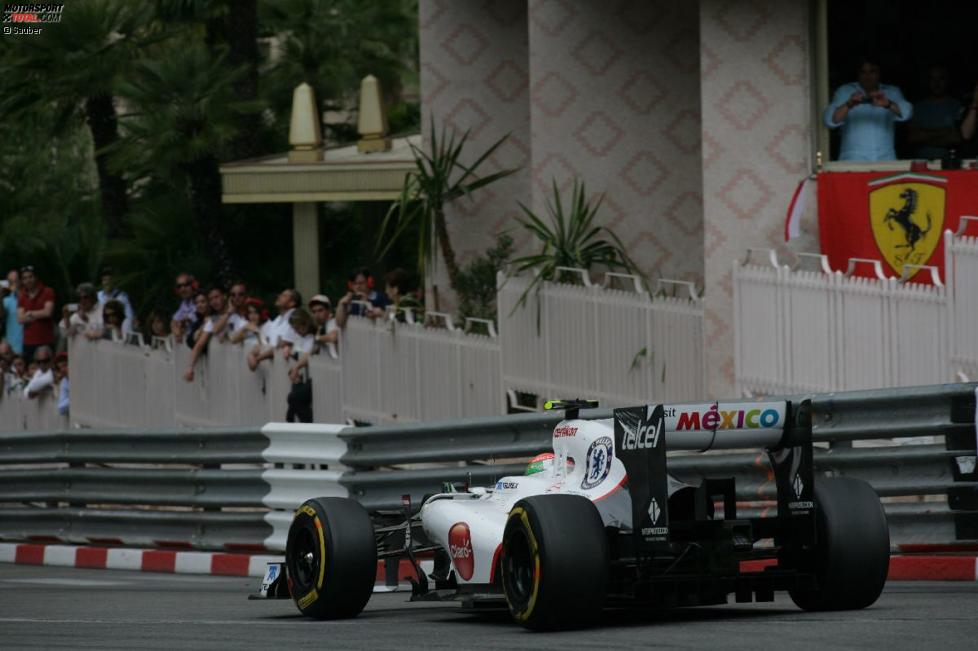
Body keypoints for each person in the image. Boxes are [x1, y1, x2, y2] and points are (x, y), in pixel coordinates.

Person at [823, 56, 913, 161]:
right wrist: (849, 104)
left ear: (879, 73)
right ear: (858, 74)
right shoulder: (845, 91)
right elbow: (829, 121)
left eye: (872, 71)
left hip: (885, 158)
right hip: (853, 158)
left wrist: (888, 104)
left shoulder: (891, 91)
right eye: (863, 72)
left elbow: (907, 113)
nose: (868, 76)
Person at [908, 65, 963, 160]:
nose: (936, 83)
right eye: (932, 79)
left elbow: (957, 138)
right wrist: (944, 132)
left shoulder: (957, 105)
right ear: (927, 81)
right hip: (923, 164)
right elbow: (912, 137)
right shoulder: (918, 107)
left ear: (947, 81)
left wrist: (926, 135)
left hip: (951, 164)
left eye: (941, 78)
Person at [247, 288, 301, 371]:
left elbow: (279, 347)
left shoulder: (295, 317)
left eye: (284, 296)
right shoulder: (278, 319)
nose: (279, 296)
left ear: (292, 303)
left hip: (290, 370)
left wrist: (257, 359)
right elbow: (267, 344)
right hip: (278, 370)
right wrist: (252, 353)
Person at [183, 287, 229, 382]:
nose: (214, 301)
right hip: (220, 367)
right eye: (211, 299)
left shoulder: (238, 313)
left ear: (224, 297)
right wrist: (190, 367)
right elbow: (199, 345)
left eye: (216, 297)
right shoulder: (210, 320)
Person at [16, 265, 56, 363]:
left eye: (30, 277)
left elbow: (48, 312)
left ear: (35, 277)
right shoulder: (22, 296)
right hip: (29, 342)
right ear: (22, 281)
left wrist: (30, 313)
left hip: (45, 340)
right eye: (25, 278)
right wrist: (39, 314)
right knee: (31, 370)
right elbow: (20, 319)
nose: (28, 280)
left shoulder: (47, 291)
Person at [282, 308, 316, 423]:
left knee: (293, 399)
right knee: (291, 406)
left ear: (305, 324)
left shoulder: (312, 338)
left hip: (312, 378)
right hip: (300, 377)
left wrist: (296, 366)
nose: (295, 331)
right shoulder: (300, 338)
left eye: (297, 328)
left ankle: (309, 425)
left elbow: (307, 355)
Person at [170, 273, 199, 341]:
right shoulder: (184, 304)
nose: (182, 289)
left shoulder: (200, 300)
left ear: (193, 286)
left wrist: (182, 322)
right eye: (179, 286)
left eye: (186, 285)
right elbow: (174, 321)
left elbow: (194, 319)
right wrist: (176, 331)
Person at [0, 270, 22, 355]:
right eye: (11, 282)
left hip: (29, 344)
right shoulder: (6, 300)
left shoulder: (28, 298)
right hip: (11, 348)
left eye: (15, 281)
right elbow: (1, 314)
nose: (14, 284)